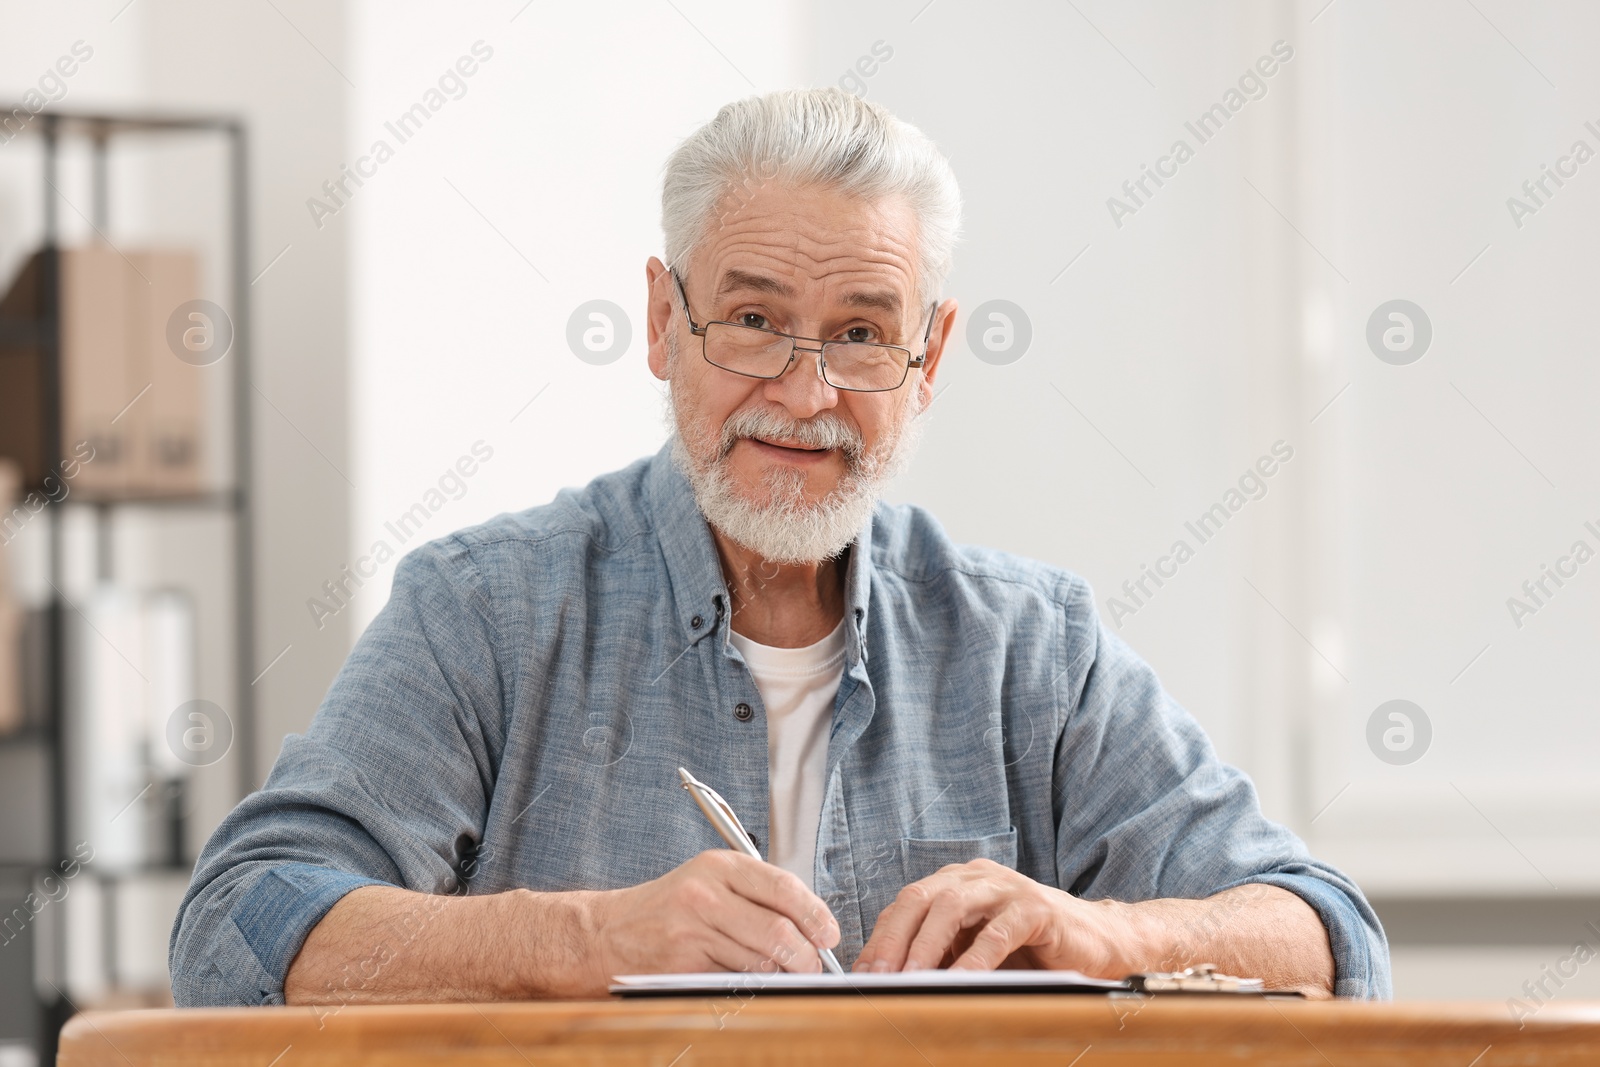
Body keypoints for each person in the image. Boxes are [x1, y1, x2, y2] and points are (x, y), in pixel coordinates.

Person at [169, 88, 1389, 1007]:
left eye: (861, 334)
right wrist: (587, 940)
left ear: (930, 358)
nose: (804, 396)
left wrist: (1102, 935)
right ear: (662, 321)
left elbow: (1332, 937)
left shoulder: (1033, 646)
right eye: (753, 321)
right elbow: (237, 926)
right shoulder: (485, 611)